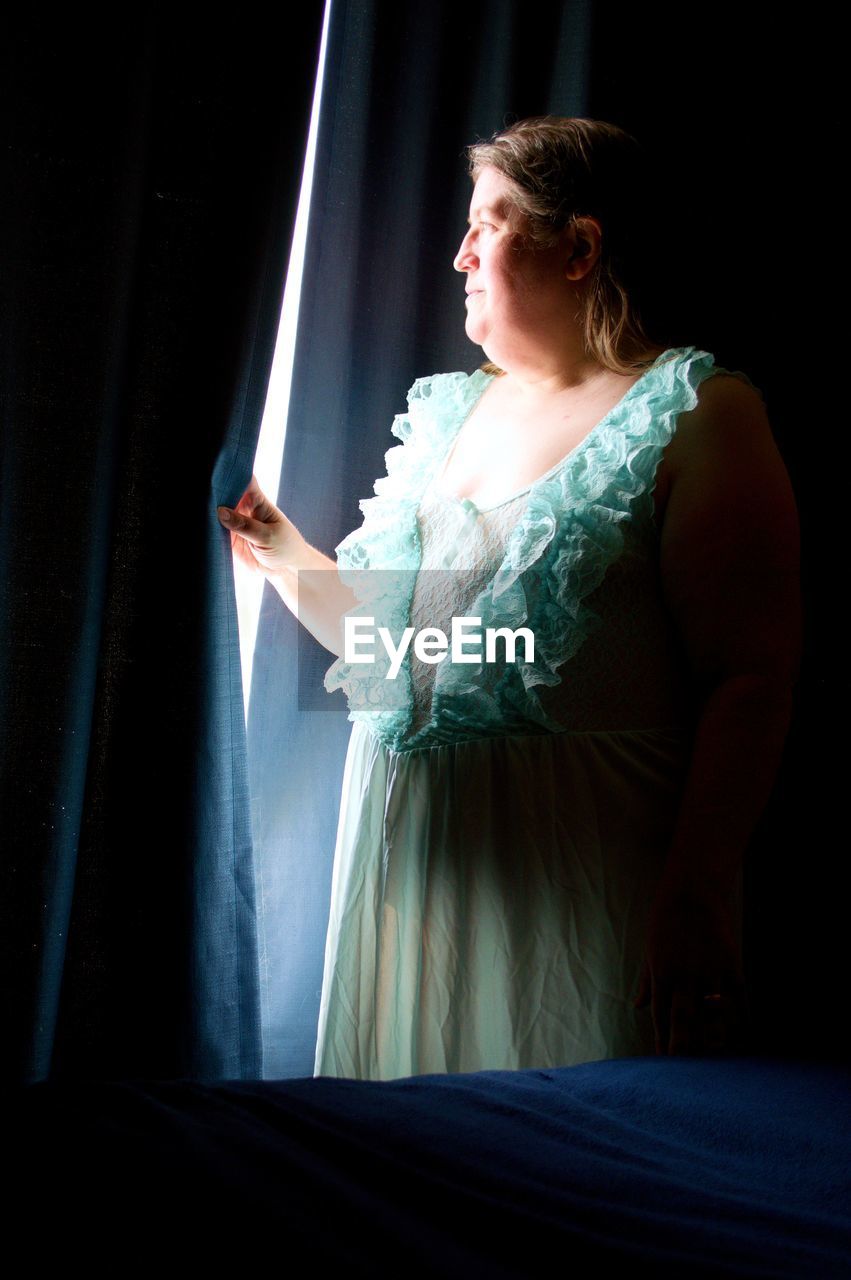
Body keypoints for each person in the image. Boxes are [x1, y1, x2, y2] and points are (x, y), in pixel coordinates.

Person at [217, 117, 801, 1079]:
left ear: (578, 247)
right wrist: (276, 545)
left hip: (589, 887)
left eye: (487, 225)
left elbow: (750, 680)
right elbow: (405, 651)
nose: (459, 255)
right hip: (419, 893)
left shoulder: (696, 415)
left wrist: (697, 890)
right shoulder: (451, 413)